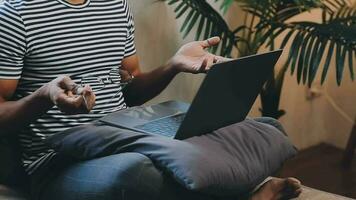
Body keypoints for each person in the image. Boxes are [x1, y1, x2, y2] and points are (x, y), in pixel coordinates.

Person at [0, 0, 302, 199]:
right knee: (139, 172)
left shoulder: (115, 6)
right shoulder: (14, 13)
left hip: (123, 134)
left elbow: (131, 91)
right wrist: (45, 96)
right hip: (57, 161)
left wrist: (173, 65)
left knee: (264, 128)